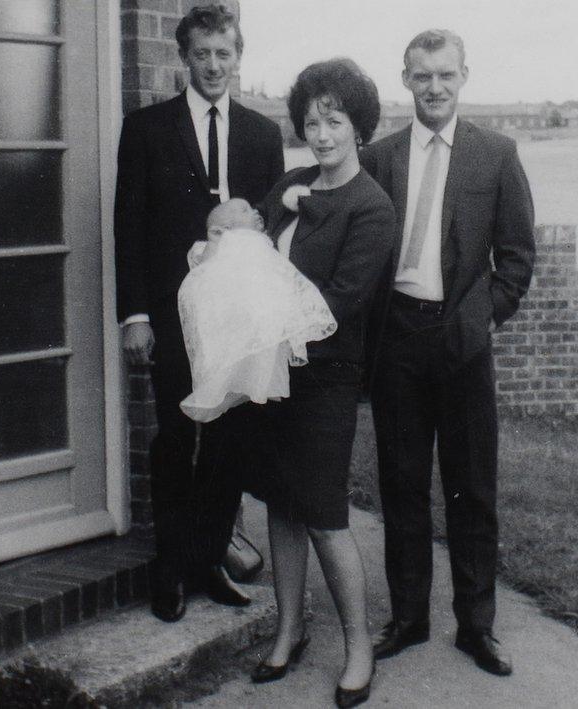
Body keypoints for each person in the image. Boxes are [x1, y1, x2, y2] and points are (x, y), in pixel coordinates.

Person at [361, 29, 535, 676]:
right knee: (402, 484)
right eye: (422, 76)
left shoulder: (495, 155)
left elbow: (516, 258)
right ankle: (407, 618)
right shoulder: (378, 159)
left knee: (472, 489)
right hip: (398, 342)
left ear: (465, 77)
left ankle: (476, 626)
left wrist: (481, 318)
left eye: (446, 76)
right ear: (404, 79)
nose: (435, 88)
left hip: (462, 343)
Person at [224, 58, 395, 709]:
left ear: (358, 125)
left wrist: (269, 322)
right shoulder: (293, 182)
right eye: (312, 121)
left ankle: (358, 647)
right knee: (281, 505)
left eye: (335, 120)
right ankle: (289, 628)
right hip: (272, 372)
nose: (321, 133)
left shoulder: (370, 208)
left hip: (324, 379)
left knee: (324, 514)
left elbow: (340, 302)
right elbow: (250, 250)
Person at [113, 4, 284, 623]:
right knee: (177, 436)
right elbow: (127, 228)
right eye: (203, 54)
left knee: (231, 441)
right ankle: (170, 568)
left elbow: (270, 230)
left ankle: (210, 560)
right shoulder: (147, 129)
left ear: (239, 58)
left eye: (225, 53)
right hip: (170, 313)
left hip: (236, 318)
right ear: (184, 57)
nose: (215, 66)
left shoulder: (264, 137)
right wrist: (134, 314)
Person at [177, 198, 336, 422]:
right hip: (235, 319)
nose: (254, 212)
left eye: (252, 208)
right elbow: (205, 274)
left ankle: (256, 385)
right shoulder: (225, 242)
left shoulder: (262, 243)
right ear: (223, 230)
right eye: (244, 210)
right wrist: (214, 241)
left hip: (261, 318)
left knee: (262, 362)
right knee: (234, 358)